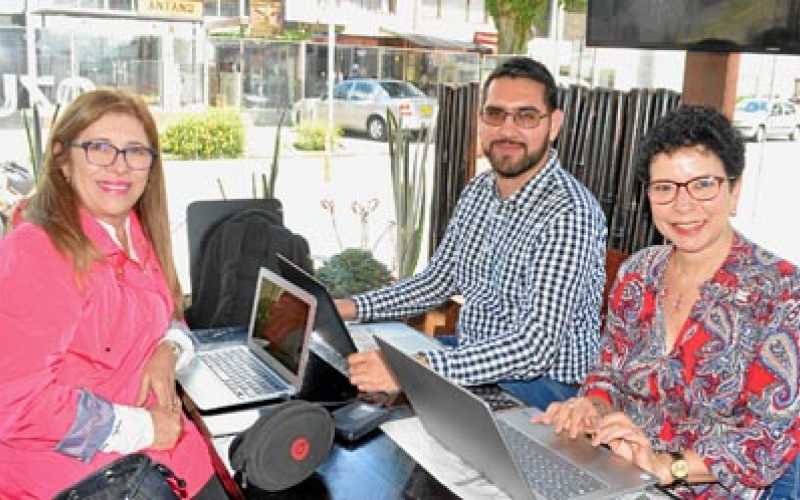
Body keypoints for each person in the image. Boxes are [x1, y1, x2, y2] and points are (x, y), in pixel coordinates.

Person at [532, 105, 800, 498]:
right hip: (617, 476)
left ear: (735, 189)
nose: (683, 205)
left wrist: (663, 465)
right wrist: (592, 406)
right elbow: (607, 375)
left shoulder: (780, 292)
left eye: (703, 184)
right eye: (664, 187)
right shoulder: (637, 274)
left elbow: (767, 444)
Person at [337, 57, 607, 410]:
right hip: (475, 360)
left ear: (553, 124)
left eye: (526, 116)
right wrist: (351, 307)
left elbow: (534, 347)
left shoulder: (570, 213)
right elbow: (436, 282)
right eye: (495, 114)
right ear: (480, 120)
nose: (507, 131)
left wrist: (416, 372)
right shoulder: (480, 190)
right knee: (352, 370)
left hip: (545, 389)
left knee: (389, 409)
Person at [0, 89, 225, 498]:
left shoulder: (135, 231)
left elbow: (170, 314)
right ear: (63, 160)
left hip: (171, 455)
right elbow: (14, 403)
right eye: (99, 147)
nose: (119, 167)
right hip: (78, 476)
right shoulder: (35, 252)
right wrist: (142, 428)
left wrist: (168, 350)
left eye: (135, 151)